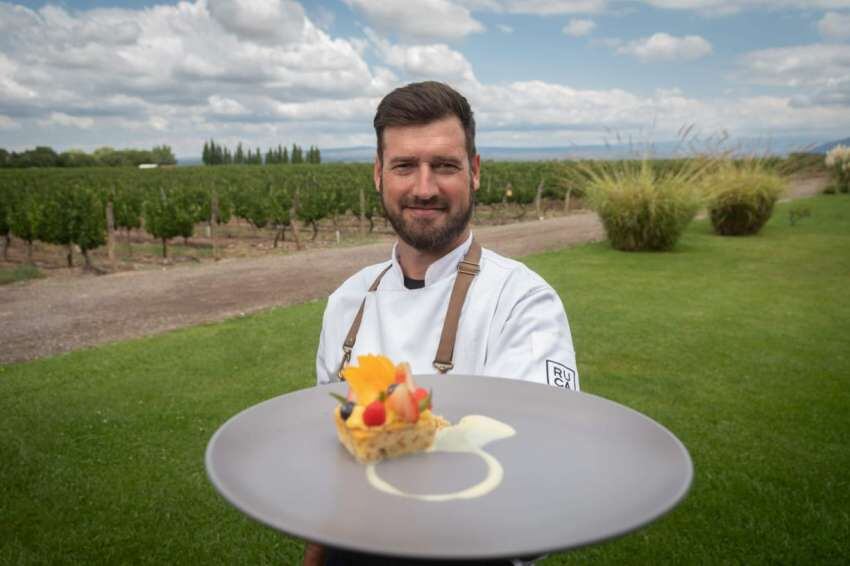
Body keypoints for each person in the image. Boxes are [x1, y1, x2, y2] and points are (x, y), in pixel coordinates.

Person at [306, 81, 579, 566]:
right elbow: (338, 458)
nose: (424, 188)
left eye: (445, 166)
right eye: (405, 166)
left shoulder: (522, 303)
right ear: (378, 174)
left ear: (474, 172)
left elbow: (540, 477)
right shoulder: (346, 302)